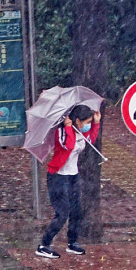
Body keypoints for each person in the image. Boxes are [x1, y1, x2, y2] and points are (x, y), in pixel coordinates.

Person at [35, 105, 101, 259]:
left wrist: (96, 123)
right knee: (62, 213)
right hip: (58, 176)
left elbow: (91, 139)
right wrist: (68, 127)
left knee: (76, 211)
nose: (87, 126)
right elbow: (69, 146)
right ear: (77, 121)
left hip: (73, 175)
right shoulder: (62, 132)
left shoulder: (80, 131)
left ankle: (72, 242)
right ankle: (44, 245)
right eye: (86, 122)